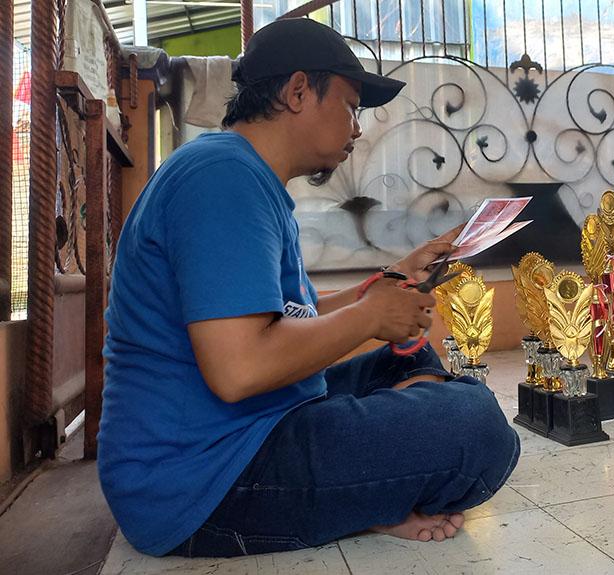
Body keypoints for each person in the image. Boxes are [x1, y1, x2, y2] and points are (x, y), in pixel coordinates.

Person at [98, 18, 520, 558]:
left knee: (408, 361)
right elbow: (239, 369)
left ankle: (369, 491)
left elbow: (288, 317)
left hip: (251, 430)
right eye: (350, 106)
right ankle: (373, 493)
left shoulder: (242, 175)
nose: (357, 129)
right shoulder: (221, 178)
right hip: (200, 480)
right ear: (298, 91)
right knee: (476, 425)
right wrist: (370, 316)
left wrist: (393, 279)